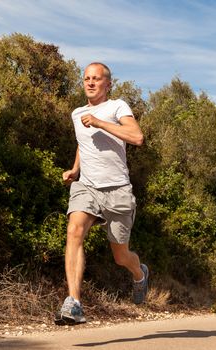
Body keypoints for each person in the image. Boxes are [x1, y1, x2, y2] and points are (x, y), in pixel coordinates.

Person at [54, 62, 149, 325]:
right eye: (86, 78)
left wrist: (99, 122)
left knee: (121, 256)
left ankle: (139, 273)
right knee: (74, 231)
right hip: (88, 186)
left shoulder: (117, 107)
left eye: (96, 78)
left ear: (108, 84)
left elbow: (137, 137)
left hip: (117, 190)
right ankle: (73, 303)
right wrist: (75, 170)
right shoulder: (77, 113)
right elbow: (83, 143)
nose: (90, 83)